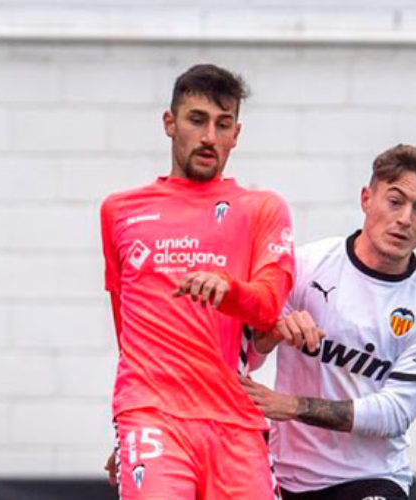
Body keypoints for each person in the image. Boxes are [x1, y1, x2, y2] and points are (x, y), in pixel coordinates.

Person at [100, 64, 295, 500]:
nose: (209, 136)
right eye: (197, 120)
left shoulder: (262, 209)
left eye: (222, 124)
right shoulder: (119, 210)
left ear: (236, 134)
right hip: (152, 415)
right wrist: (126, 431)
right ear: (170, 124)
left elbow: (268, 306)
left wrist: (229, 289)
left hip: (234, 421)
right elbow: (125, 324)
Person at [241, 144, 416, 500]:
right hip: (283, 475)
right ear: (366, 199)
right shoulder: (303, 267)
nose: (405, 219)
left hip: (370, 478)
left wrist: (293, 406)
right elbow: (245, 355)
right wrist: (274, 332)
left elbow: (394, 413)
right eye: (395, 201)